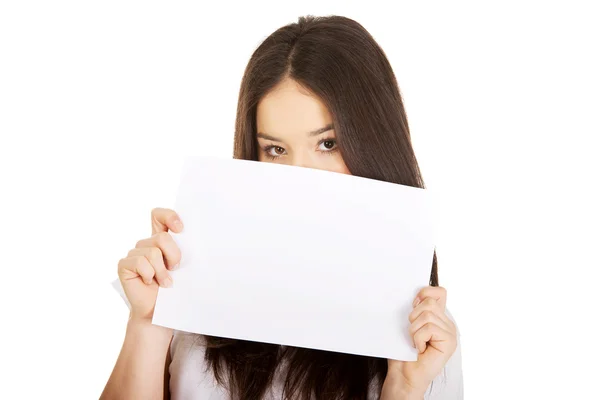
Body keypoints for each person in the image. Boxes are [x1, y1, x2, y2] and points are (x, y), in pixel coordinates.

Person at [101, 15, 463, 400]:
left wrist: (404, 388)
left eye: (327, 144)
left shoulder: (425, 337)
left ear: (372, 143)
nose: (299, 177)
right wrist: (149, 322)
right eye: (275, 150)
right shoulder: (193, 289)